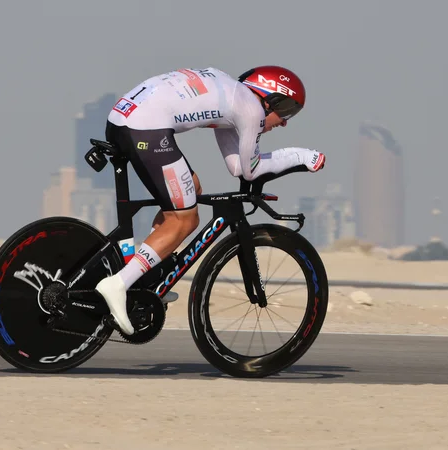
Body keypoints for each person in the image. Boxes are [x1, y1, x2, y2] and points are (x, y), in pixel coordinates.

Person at [95, 65, 326, 335]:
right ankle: (119, 284)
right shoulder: (250, 108)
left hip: (124, 119)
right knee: (186, 219)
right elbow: (251, 171)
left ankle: (146, 276)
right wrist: (303, 157)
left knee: (189, 189)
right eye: (285, 110)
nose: (285, 121)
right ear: (268, 97)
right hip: (146, 128)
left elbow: (238, 168)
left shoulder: (232, 97)